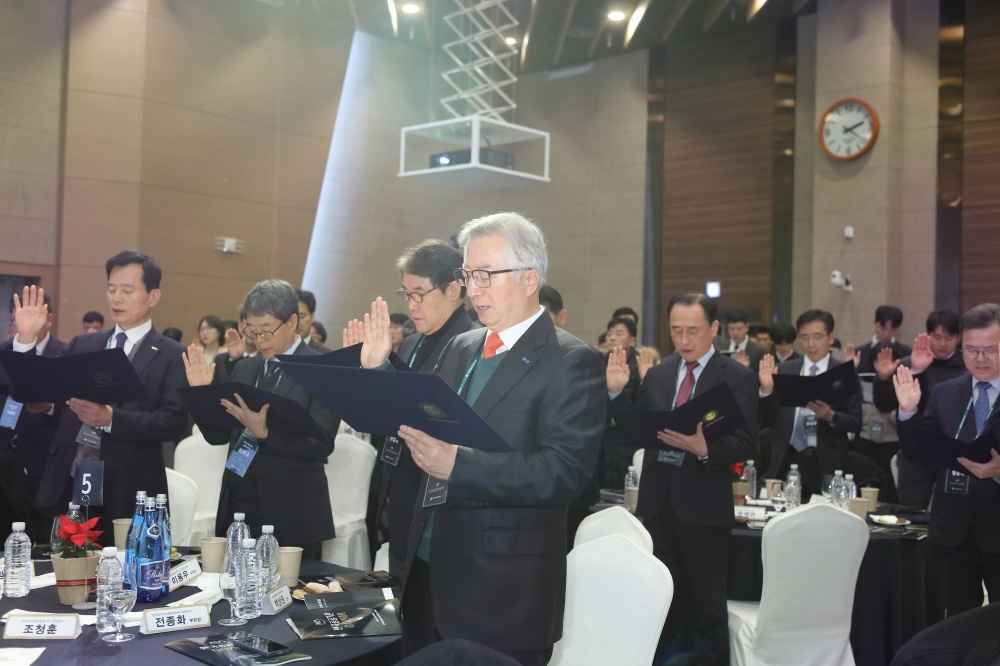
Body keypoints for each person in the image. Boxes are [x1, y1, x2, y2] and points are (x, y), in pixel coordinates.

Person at [350, 212, 606, 665]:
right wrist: (379, 371)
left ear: (530, 279)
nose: (473, 289)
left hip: (502, 590)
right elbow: (420, 418)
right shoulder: (463, 345)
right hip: (428, 566)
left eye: (486, 275)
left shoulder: (570, 360)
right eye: (469, 275)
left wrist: (458, 465)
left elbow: (565, 473)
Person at [609, 293, 757, 666]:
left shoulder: (737, 376)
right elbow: (635, 430)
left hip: (704, 507)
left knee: (706, 608)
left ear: (714, 328)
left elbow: (746, 442)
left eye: (693, 330)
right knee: (661, 604)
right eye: (676, 330)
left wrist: (704, 448)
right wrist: (616, 393)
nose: (684, 340)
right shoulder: (659, 373)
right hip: (657, 505)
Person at [10, 250, 188, 534]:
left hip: (130, 487)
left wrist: (111, 419)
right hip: (71, 480)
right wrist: (27, 339)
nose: (117, 298)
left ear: (153, 296)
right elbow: (31, 393)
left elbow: (173, 422)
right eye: (111, 289)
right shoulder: (84, 344)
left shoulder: (172, 354)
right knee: (69, 561)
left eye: (127, 290)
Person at [183, 280, 338, 558]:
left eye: (267, 330)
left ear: (292, 321)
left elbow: (322, 443)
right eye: (252, 331)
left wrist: (266, 434)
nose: (260, 340)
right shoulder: (245, 367)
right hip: (239, 502)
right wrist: (200, 394)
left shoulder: (322, 369)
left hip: (292, 510)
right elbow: (218, 434)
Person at [368, 239, 476, 580]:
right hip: (400, 482)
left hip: (441, 498)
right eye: (406, 294)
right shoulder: (411, 343)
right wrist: (372, 370)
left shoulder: (473, 344)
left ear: (453, 290)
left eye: (420, 294)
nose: (412, 306)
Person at [893, 303, 1000, 618]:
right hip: (953, 530)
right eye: (971, 350)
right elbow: (916, 453)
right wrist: (908, 412)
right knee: (957, 621)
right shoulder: (944, 392)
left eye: (991, 350)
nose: (980, 358)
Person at [759, 309, 862, 498]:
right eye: (805, 337)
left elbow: (856, 422)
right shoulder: (784, 370)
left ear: (830, 337)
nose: (811, 344)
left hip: (826, 462)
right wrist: (766, 390)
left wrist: (831, 416)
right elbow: (765, 419)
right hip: (788, 458)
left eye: (817, 337)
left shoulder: (843, 373)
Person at [873, 310, 965, 508]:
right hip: (915, 455)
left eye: (949, 338)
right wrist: (883, 378)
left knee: (952, 512)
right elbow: (884, 405)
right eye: (937, 337)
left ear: (958, 337)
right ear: (927, 335)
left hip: (954, 453)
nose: (942, 344)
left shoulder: (967, 367)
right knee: (912, 512)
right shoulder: (910, 363)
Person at [1, 293, 67, 499]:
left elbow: (76, 408)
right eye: (16, 320)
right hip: (5, 455)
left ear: (49, 319)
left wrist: (50, 407)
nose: (22, 325)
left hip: (45, 454)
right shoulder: (3, 351)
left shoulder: (65, 354)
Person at [598, 315, 641, 488]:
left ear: (632, 339)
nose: (612, 337)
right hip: (602, 439)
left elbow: (641, 405)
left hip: (627, 441)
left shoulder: (640, 365)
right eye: (610, 333)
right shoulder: (598, 361)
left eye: (619, 333)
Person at [296, 288, 331, 353]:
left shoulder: (325, 355)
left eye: (302, 316)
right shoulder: (277, 352)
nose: (297, 323)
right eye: (292, 317)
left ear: (312, 316)